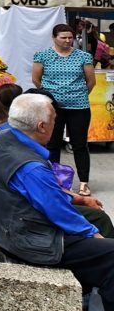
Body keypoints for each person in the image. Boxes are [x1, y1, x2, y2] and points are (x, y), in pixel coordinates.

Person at [0, 93, 114, 311]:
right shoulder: (31, 167)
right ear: (42, 127)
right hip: (28, 239)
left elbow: (47, 195)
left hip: (8, 221)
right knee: (110, 253)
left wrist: (81, 201)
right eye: (54, 118)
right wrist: (93, 235)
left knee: (99, 219)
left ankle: (92, 289)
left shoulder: (4, 132)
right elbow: (59, 212)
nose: (58, 122)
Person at [32, 22, 96, 196]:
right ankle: (54, 180)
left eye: (70, 37)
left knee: (80, 144)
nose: (68, 40)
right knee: (52, 144)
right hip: (52, 107)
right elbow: (37, 80)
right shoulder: (42, 56)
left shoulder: (83, 56)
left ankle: (84, 182)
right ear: (54, 38)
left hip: (79, 106)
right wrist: (52, 95)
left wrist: (78, 94)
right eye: (63, 37)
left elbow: (91, 81)